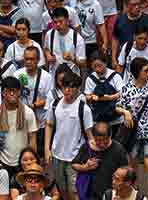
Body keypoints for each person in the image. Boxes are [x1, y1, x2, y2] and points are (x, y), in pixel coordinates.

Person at [46, 71, 93, 200]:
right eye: (64, 86)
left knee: (75, 191)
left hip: (75, 157)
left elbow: (90, 135)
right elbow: (49, 125)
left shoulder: (84, 109)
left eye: (71, 87)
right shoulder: (55, 105)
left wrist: (92, 157)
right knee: (62, 189)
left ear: (78, 88)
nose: (67, 90)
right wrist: (46, 149)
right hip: (57, 154)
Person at [71, 121, 128, 200]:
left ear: (110, 136)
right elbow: (74, 164)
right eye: (98, 141)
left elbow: (126, 172)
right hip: (89, 194)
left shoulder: (118, 150)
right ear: (93, 137)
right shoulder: (86, 147)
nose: (102, 144)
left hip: (110, 195)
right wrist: (85, 167)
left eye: (105, 140)